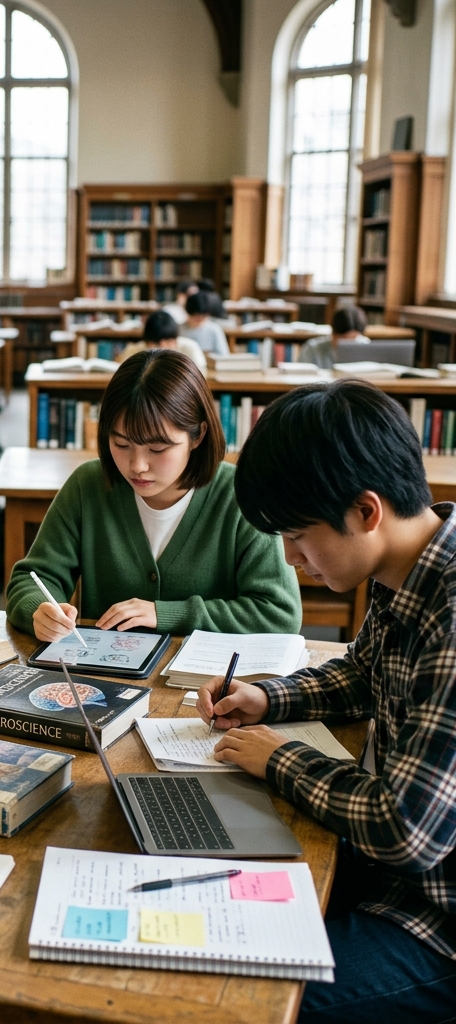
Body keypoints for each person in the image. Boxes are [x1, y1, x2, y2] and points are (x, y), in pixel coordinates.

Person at [200, 379, 456, 1024]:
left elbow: (406, 829)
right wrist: (265, 698)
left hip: (435, 919)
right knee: (204, 899)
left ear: (366, 511)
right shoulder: (406, 566)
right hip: (383, 873)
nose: (290, 559)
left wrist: (279, 757)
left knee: (234, 998)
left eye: (297, 535)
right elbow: (363, 674)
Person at [6, 349, 300, 640]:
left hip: (209, 671)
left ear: (198, 435)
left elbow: (279, 614)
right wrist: (40, 611)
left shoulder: (240, 495)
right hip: (103, 668)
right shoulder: (88, 485)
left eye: (157, 449)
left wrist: (166, 614)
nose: (137, 466)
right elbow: (32, 579)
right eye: (122, 444)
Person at [118, 310, 208, 372]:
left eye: (168, 342)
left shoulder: (190, 348)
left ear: (176, 339)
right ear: (146, 341)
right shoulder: (134, 350)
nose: (163, 348)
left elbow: (201, 375)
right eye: (157, 344)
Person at [299, 306, 370, 369]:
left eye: (353, 339)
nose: (347, 344)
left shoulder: (365, 346)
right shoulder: (312, 349)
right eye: (343, 339)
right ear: (333, 333)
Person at [180, 290, 229, 355]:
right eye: (196, 317)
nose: (199, 320)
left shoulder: (214, 329)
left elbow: (223, 355)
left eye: (203, 317)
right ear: (188, 313)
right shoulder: (179, 330)